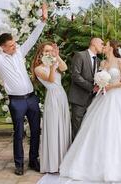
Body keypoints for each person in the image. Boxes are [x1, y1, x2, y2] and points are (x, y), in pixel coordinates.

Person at [37, 40, 121, 184]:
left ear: (112, 47)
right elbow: (98, 81)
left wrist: (112, 86)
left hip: (118, 98)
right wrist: (99, 85)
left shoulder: (120, 62)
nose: (103, 46)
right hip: (103, 99)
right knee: (99, 129)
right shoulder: (102, 63)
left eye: (106, 45)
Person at [0, 4, 48, 175]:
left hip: (31, 99)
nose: (14, 47)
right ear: (2, 47)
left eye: (14, 43)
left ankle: (33, 160)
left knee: (36, 130)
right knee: (18, 133)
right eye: (10, 46)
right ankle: (19, 164)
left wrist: (42, 21)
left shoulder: (19, 53)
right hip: (16, 102)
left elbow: (32, 39)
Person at [31, 42, 71, 173]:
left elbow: (64, 68)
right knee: (54, 128)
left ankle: (64, 162)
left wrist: (57, 56)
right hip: (52, 98)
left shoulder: (54, 62)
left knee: (63, 127)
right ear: (41, 53)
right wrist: (53, 66)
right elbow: (51, 79)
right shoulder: (38, 69)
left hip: (62, 97)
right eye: (46, 51)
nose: (49, 53)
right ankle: (53, 164)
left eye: (50, 50)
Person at [68, 37, 104, 140]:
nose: (103, 46)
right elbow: (75, 76)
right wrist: (91, 87)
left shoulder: (99, 61)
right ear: (94, 43)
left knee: (88, 129)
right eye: (101, 43)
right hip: (79, 99)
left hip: (93, 101)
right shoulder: (80, 55)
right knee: (77, 128)